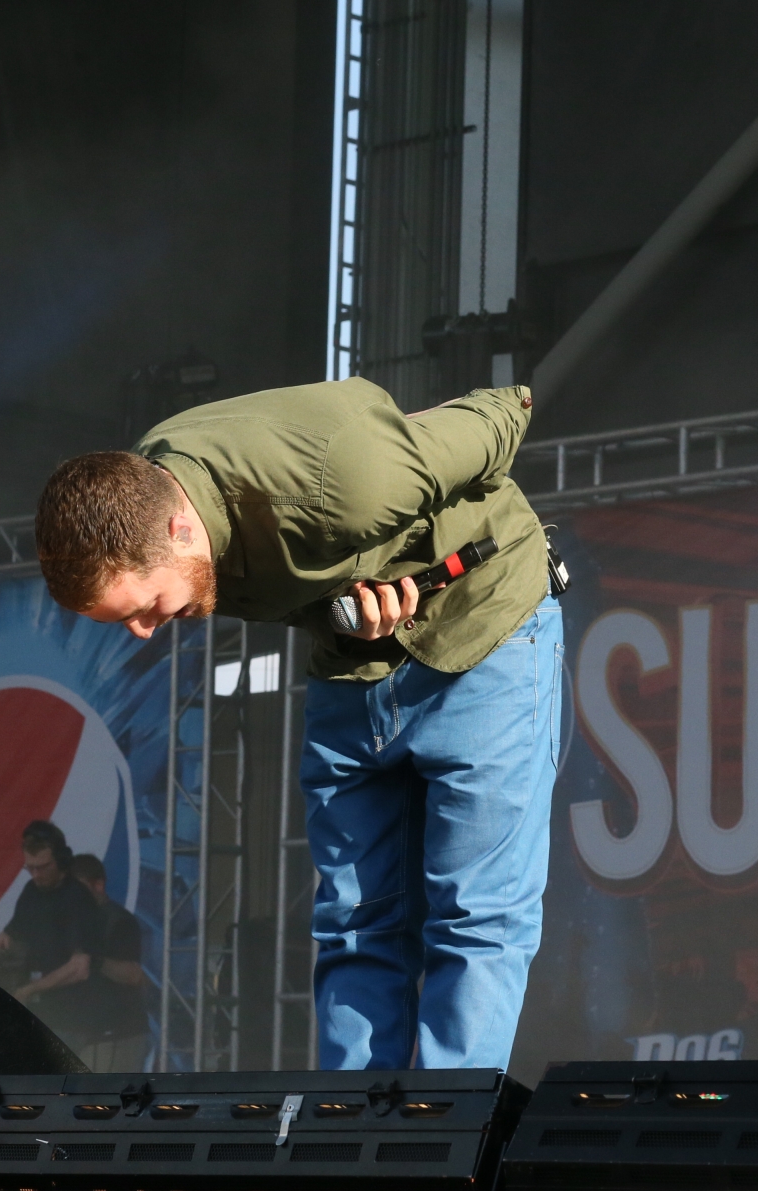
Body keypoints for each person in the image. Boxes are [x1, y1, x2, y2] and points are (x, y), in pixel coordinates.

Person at [34, 379, 562, 1071]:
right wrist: (342, 600)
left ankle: (444, 1135)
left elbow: (505, 412)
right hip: (351, 666)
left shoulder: (346, 478)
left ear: (177, 529)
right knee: (351, 924)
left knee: (475, 918)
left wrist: (413, 449)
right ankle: (357, 1136)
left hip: (481, 634)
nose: (141, 631)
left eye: (145, 606)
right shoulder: (143, 495)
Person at [0, 820, 104, 1044]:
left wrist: (30, 989)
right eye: (30, 868)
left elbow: (80, 968)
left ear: (62, 861)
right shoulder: (31, 892)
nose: (36, 874)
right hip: (36, 1015)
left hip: (71, 1020)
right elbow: (11, 936)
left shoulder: (78, 898)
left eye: (43, 867)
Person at [66, 854, 150, 1072]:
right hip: (83, 1034)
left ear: (99, 885)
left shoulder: (119, 922)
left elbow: (133, 975)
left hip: (117, 1035)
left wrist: (94, 960)